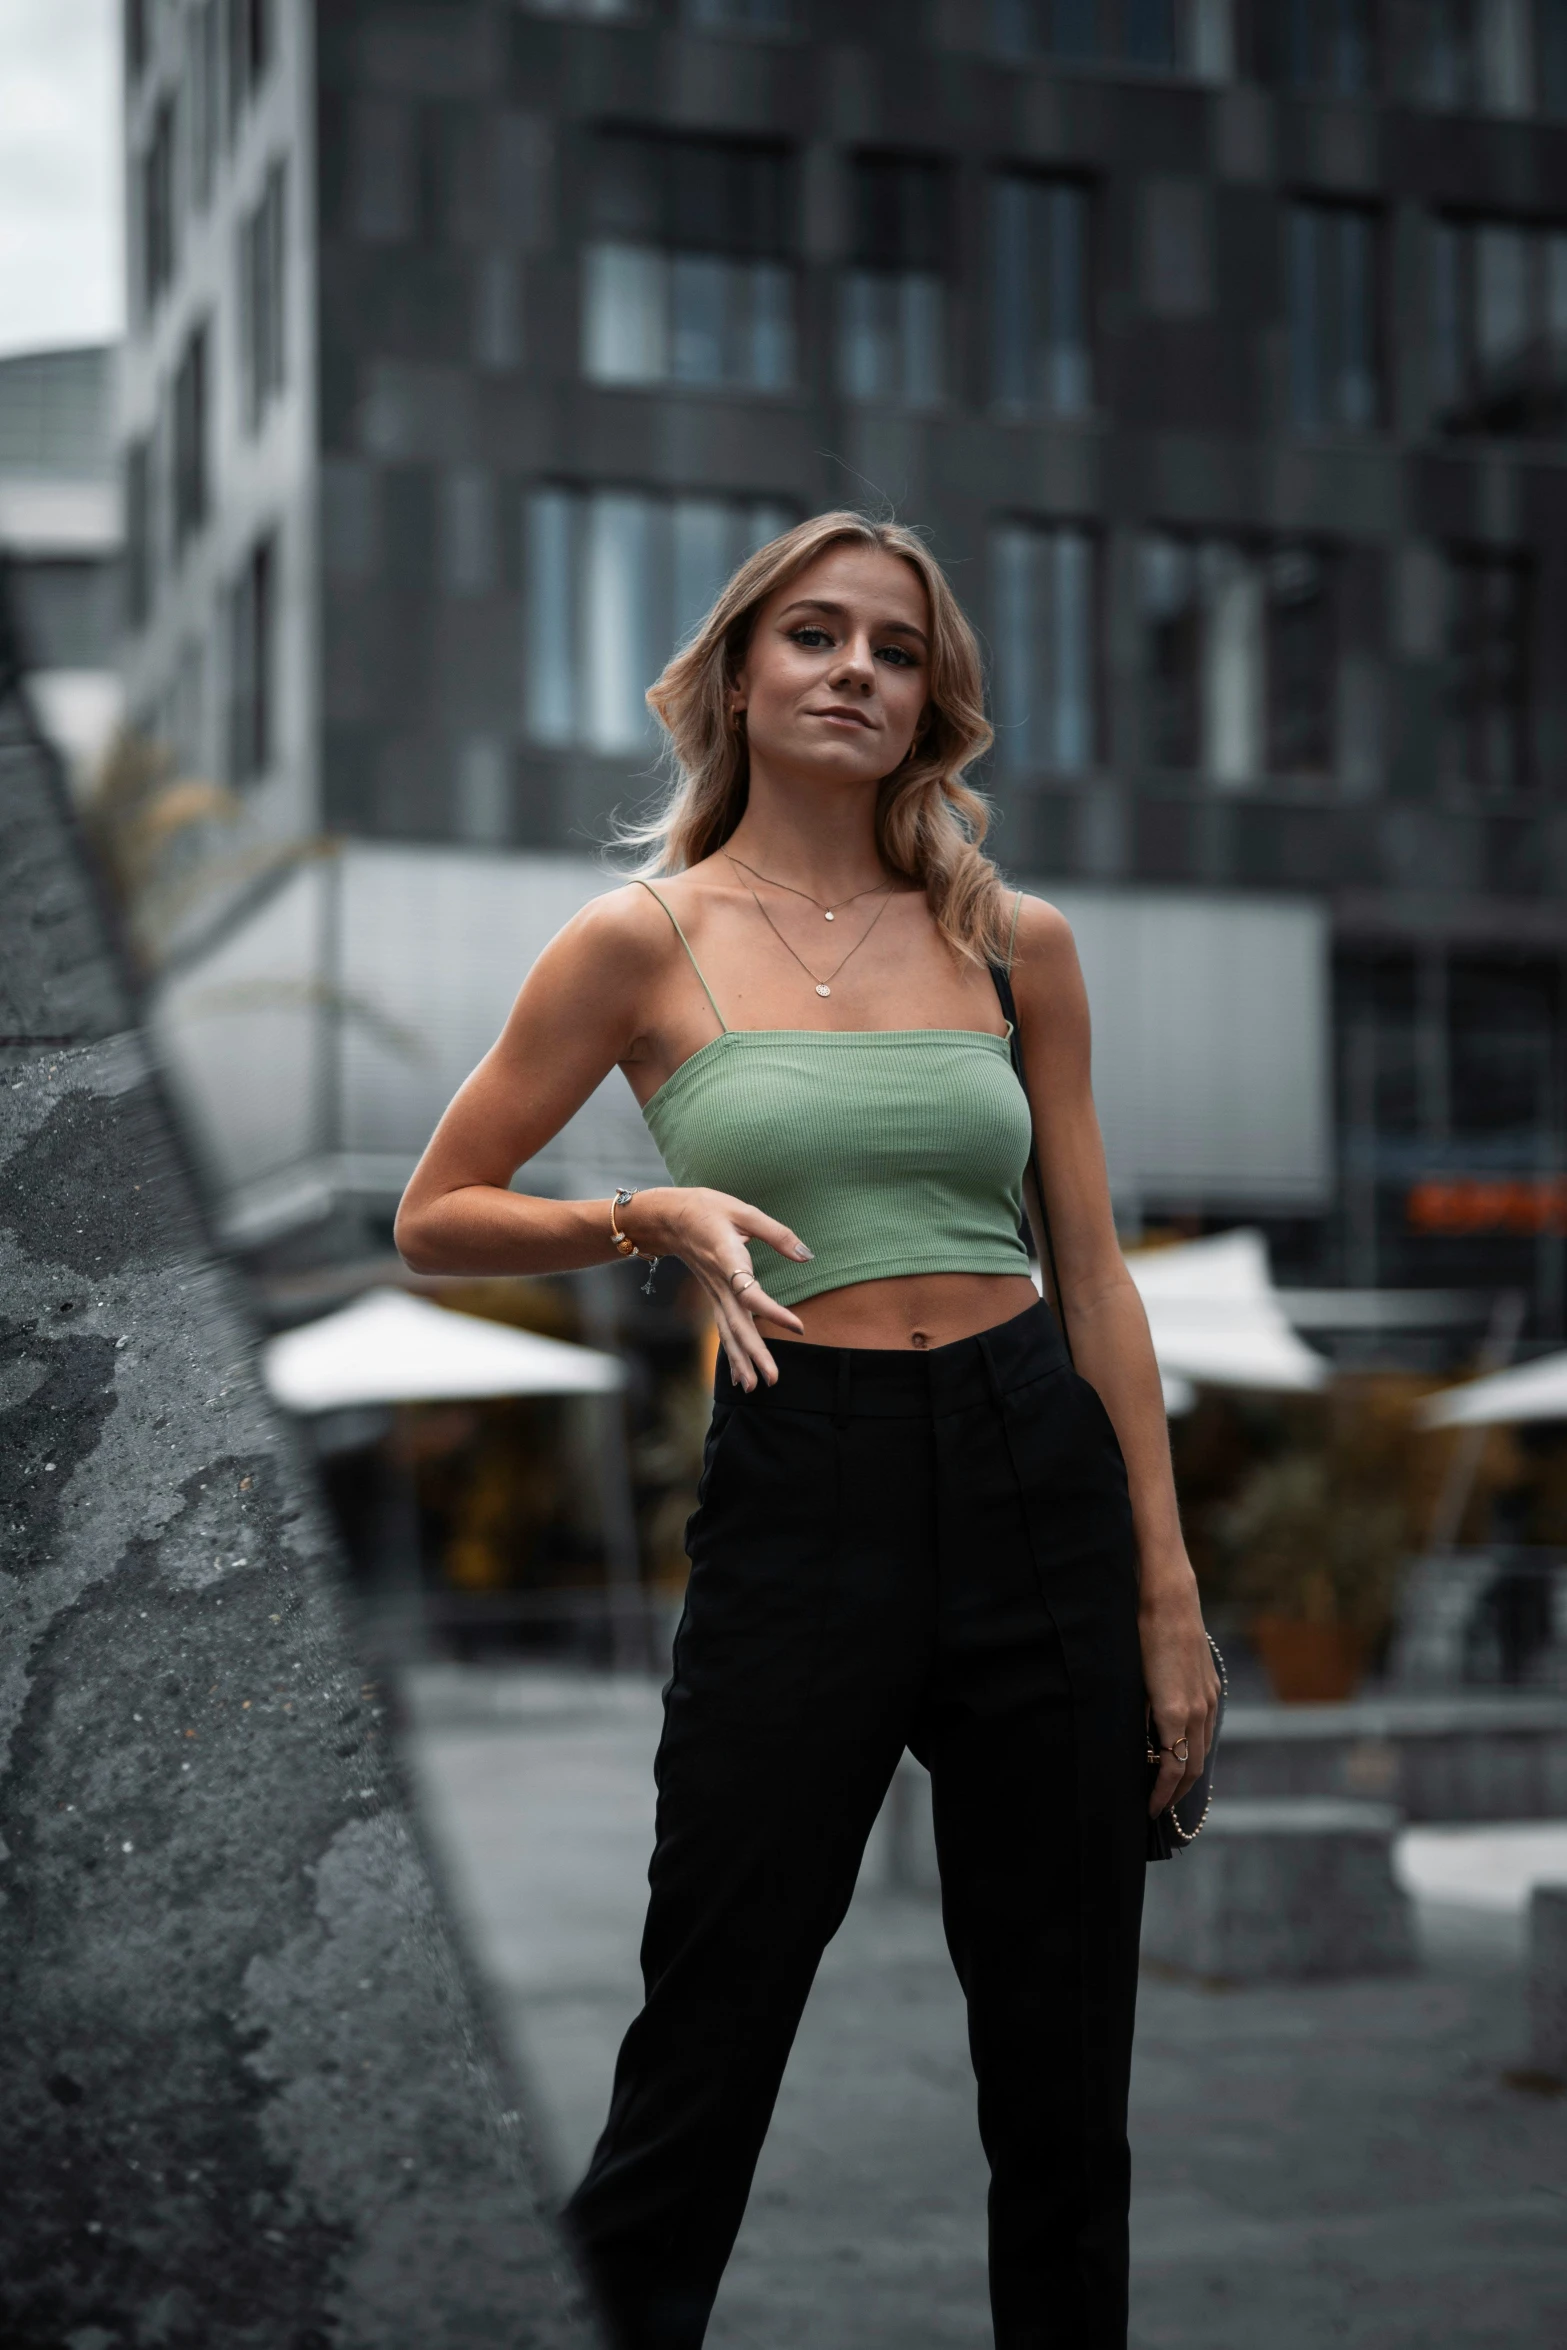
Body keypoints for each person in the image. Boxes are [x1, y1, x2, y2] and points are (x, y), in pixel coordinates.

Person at [395, 511, 1220, 2349]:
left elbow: (1091, 1273)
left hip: (1034, 1471)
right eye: (814, 636)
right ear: (739, 675)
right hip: (802, 1478)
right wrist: (641, 1217)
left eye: (896, 648)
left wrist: (1165, 1590)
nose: (854, 667)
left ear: (932, 702)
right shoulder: (637, 940)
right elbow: (436, 1208)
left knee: (1063, 2095)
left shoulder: (1015, 944)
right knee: (704, 2045)